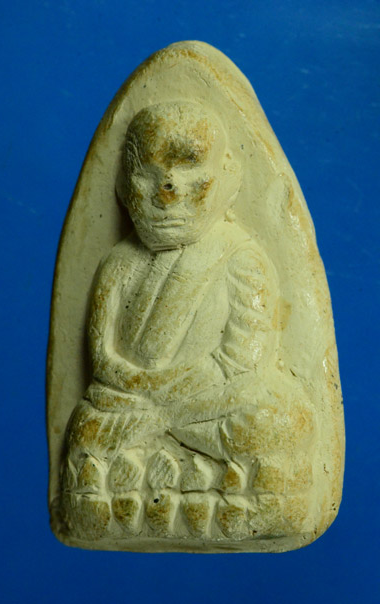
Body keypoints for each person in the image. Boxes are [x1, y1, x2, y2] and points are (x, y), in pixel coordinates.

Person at [60, 102, 314, 542]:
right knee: (87, 424)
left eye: (189, 171)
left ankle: (230, 499)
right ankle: (159, 492)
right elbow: (102, 360)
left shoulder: (240, 257)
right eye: (148, 174)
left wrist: (165, 403)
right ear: (123, 184)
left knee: (280, 420)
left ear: (227, 178)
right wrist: (147, 396)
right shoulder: (118, 263)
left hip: (210, 406)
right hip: (131, 403)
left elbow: (240, 363)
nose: (168, 191)